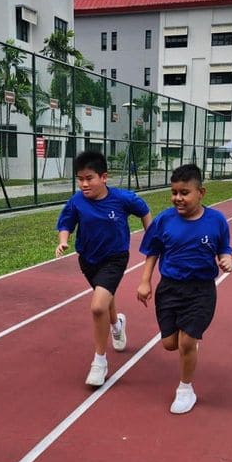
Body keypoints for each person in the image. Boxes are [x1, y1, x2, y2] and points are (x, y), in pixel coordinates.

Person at [136, 164, 232, 414]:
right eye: (174, 192)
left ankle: (185, 388)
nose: (178, 198)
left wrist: (226, 258)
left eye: (184, 192)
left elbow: (224, 247)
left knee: (186, 342)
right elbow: (152, 251)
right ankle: (189, 343)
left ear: (201, 192)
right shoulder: (164, 220)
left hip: (201, 290)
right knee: (170, 344)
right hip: (169, 288)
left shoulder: (217, 220)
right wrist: (145, 281)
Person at [56, 150, 152, 386]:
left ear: (104, 177)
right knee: (104, 298)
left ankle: (99, 362)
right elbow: (66, 222)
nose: (84, 184)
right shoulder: (77, 201)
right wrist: (63, 240)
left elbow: (144, 210)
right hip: (88, 259)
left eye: (89, 178)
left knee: (98, 305)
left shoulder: (122, 199)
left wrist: (152, 236)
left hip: (115, 258)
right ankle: (117, 324)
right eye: (80, 179)